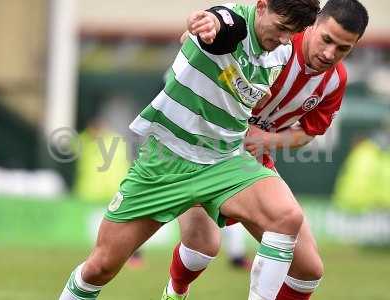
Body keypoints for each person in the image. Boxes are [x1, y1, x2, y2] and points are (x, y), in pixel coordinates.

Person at [58, 1, 320, 299]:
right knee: (100, 267)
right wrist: (207, 24)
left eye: (293, 33)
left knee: (286, 216)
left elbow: (249, 85)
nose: (285, 39)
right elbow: (222, 24)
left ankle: (179, 292)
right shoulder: (233, 23)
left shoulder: (282, 50)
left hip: (225, 160)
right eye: (282, 28)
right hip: (167, 161)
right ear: (261, 7)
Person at [162, 0, 369, 299]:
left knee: (308, 270)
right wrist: (202, 29)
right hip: (204, 150)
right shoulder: (276, 38)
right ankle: (174, 292)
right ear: (312, 24)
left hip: (253, 161)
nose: (329, 54)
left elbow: (308, 133)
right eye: (327, 39)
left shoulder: (336, 80)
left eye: (343, 49)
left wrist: (265, 140)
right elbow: (204, 37)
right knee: (202, 248)